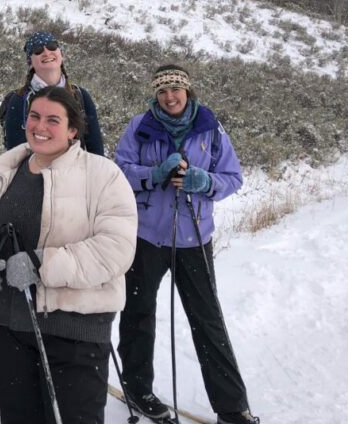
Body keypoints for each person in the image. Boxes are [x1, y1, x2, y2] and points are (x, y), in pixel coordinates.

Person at [0, 86, 137, 424]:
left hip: (74, 331)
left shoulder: (102, 175)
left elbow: (115, 248)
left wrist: (43, 264)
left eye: (53, 120)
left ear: (73, 130)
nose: (40, 126)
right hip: (9, 326)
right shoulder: (4, 173)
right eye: (34, 116)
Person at [114, 65, 259, 424]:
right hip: (147, 235)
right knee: (137, 313)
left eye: (176, 89)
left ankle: (231, 407)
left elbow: (233, 177)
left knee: (207, 319)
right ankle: (137, 387)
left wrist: (203, 181)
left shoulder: (210, 127)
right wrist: (154, 175)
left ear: (187, 91)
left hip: (195, 237)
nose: (170, 97)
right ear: (155, 96)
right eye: (163, 92)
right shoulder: (140, 126)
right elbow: (118, 171)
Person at [0, 31, 105, 156]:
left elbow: (96, 151)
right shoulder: (19, 101)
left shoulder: (81, 97)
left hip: (76, 173)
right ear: (31, 63)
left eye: (52, 46)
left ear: (61, 55)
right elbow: (16, 154)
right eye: (37, 50)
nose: (46, 52)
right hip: (36, 173)